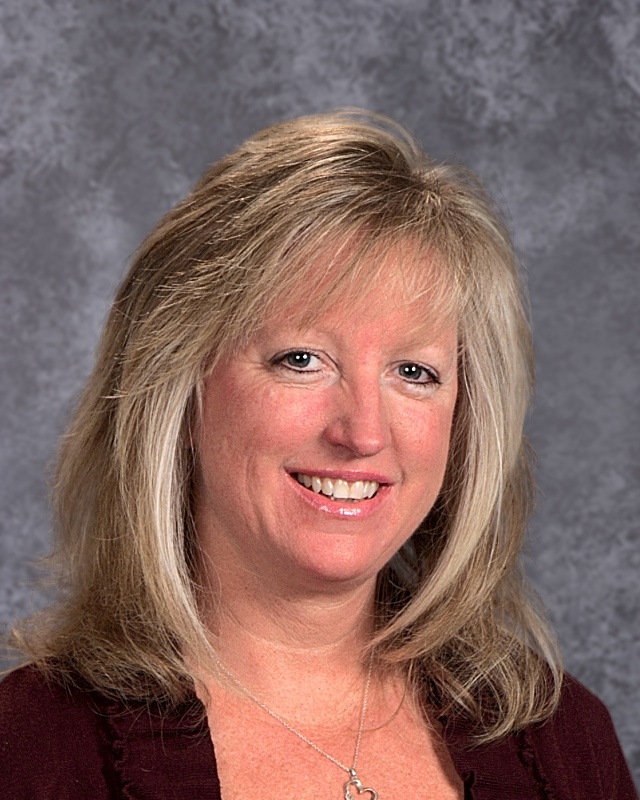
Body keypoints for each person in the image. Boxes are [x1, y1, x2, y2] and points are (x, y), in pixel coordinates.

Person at [0, 109, 636, 800]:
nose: (363, 433)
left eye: (414, 372)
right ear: (179, 389)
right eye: (301, 359)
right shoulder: (26, 752)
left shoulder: (566, 743)